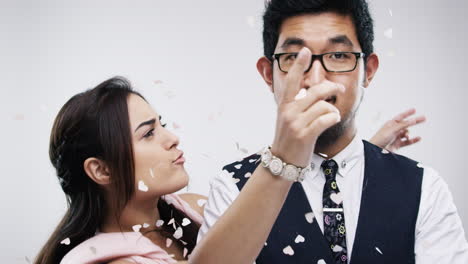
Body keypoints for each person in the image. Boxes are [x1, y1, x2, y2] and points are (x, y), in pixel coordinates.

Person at [195, 0, 468, 263]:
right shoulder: (231, 186)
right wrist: (283, 160)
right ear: (269, 74)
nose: (315, 79)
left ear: (368, 71)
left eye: (338, 55)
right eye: (293, 57)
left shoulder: (424, 187)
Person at [35, 77, 206, 264]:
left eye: (161, 125)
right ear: (102, 170)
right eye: (148, 133)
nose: (173, 138)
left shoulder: (197, 211)